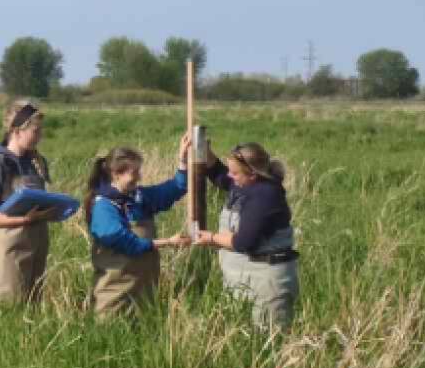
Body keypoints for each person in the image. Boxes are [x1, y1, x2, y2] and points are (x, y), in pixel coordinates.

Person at [194, 142, 299, 330]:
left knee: (268, 338)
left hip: (267, 280)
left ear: (252, 174)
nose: (230, 176)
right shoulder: (247, 184)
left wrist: (211, 238)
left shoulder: (265, 196)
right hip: (245, 278)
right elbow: (220, 176)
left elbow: (244, 242)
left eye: (234, 173)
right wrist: (204, 150)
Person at [84, 135, 192, 317]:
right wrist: (168, 242)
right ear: (116, 174)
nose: (139, 177)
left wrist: (182, 160)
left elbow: (175, 188)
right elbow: (128, 243)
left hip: (144, 291)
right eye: (134, 173)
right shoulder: (103, 206)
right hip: (114, 294)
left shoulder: (137, 197)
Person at [0, 100, 58, 304]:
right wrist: (25, 220)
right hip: (6, 250)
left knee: (32, 306)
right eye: (36, 131)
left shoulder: (36, 163)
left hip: (35, 245)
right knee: (7, 306)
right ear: (17, 131)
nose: (40, 136)